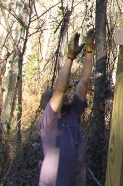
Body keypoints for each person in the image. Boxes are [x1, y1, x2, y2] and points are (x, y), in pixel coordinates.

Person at [39, 28, 94, 186]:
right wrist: (70, 57)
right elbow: (60, 89)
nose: (65, 97)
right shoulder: (49, 119)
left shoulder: (73, 112)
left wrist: (89, 50)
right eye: (57, 98)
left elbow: (83, 81)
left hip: (76, 180)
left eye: (66, 96)